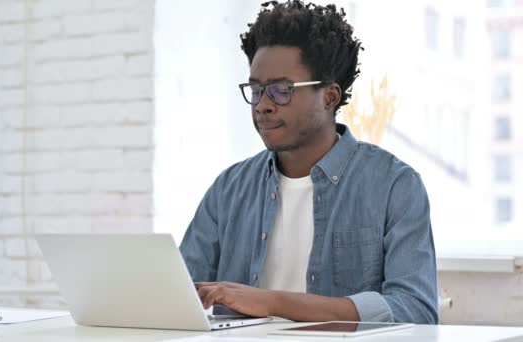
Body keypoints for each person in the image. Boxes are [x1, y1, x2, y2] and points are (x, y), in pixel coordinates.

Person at [179, 0, 438, 324]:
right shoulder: (229, 189)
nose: (263, 106)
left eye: (281, 90)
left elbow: (416, 311)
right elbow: (178, 296)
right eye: (256, 90)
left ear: (330, 96)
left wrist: (271, 302)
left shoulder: (393, 185)